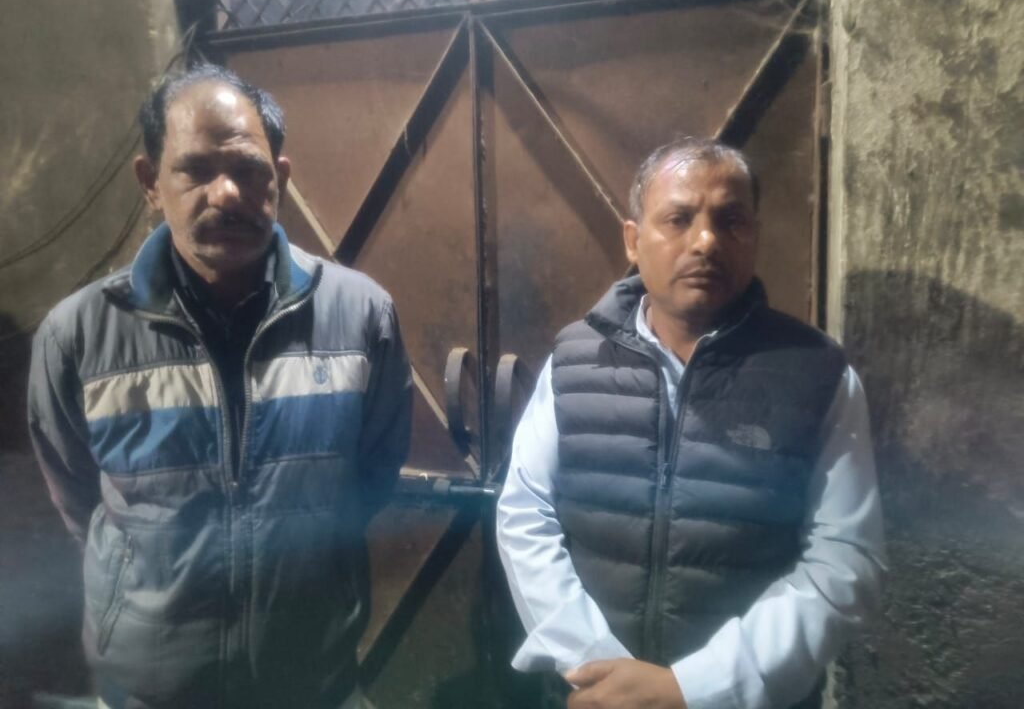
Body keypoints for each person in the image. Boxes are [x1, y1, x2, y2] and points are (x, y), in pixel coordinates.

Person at [27, 64, 412, 709]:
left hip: (311, 681)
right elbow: (77, 495)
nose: (228, 194)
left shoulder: (360, 314)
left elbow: (373, 474)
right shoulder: (80, 335)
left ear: (280, 179)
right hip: (148, 689)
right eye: (196, 170)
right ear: (150, 183)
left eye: (249, 170)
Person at [496, 138, 885, 709]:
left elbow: (845, 559)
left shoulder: (816, 374)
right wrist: (596, 666)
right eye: (679, 219)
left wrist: (694, 689)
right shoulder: (575, 360)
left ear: (754, 235)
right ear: (633, 240)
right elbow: (526, 512)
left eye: (731, 221)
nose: (706, 241)